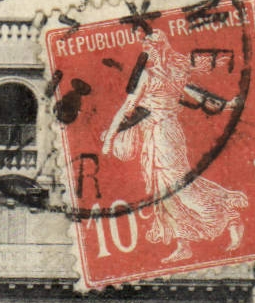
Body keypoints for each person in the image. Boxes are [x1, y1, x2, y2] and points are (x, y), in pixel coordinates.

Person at [102, 29, 247, 263]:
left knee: (177, 187)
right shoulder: (175, 73)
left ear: (158, 49)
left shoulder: (149, 77)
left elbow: (128, 107)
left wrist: (110, 138)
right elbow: (199, 97)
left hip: (161, 135)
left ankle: (228, 215)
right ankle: (184, 243)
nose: (147, 54)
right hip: (164, 134)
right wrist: (227, 105)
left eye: (149, 49)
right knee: (165, 193)